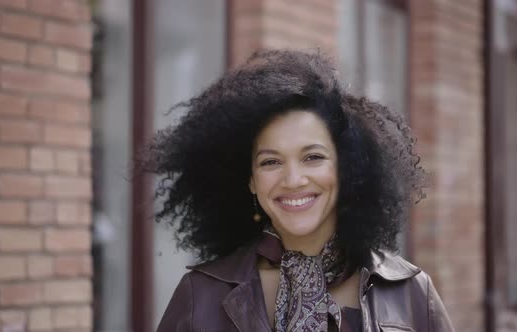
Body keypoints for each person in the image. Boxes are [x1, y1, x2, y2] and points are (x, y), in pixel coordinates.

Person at [147, 49, 454, 332]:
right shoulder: (199, 296)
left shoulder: (412, 293)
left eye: (313, 157)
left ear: (346, 167)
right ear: (251, 180)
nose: (293, 179)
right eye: (270, 162)